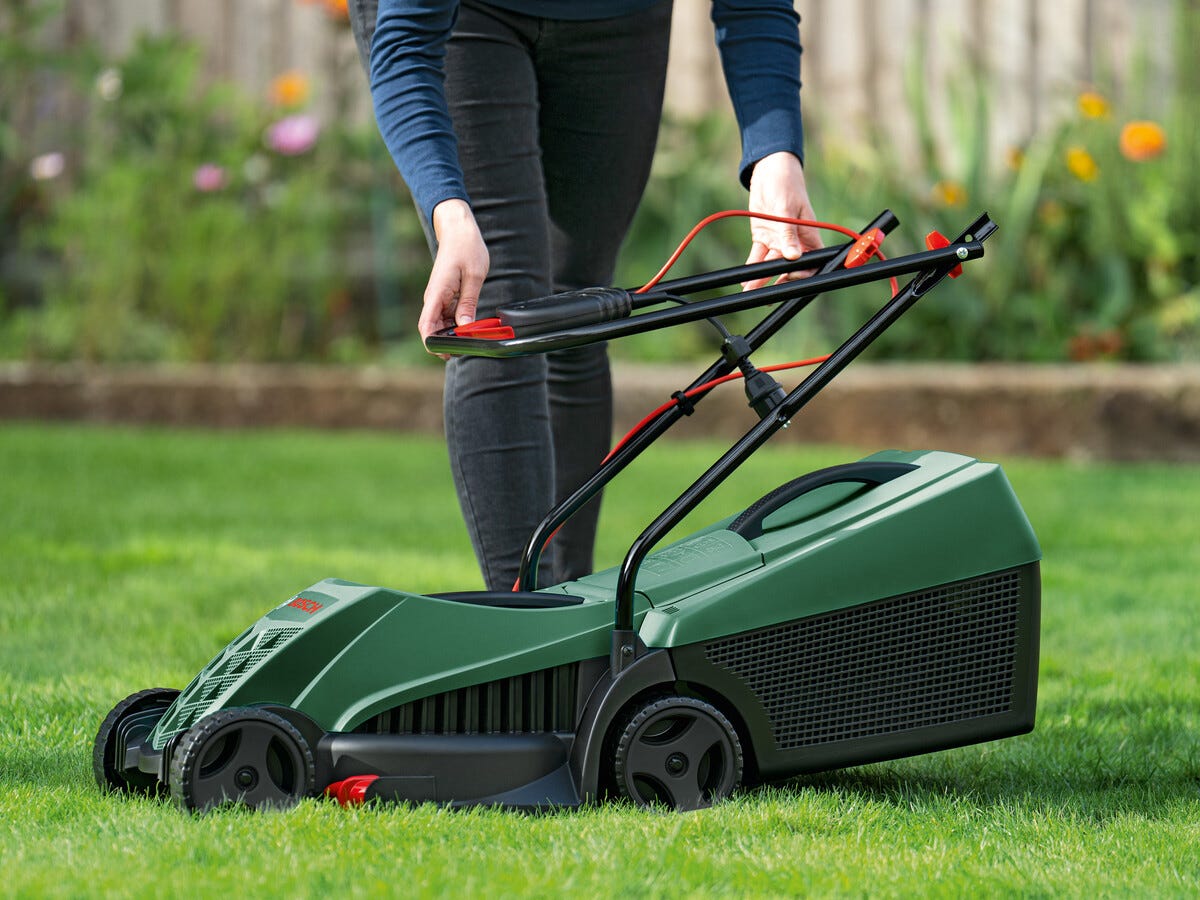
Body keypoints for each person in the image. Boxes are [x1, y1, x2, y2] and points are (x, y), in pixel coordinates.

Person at [349, 0, 821, 591]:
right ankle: (527, 621)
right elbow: (406, 43)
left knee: (579, 314)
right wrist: (450, 209)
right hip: (465, 18)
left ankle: (571, 602)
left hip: (616, 23)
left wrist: (775, 154)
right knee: (501, 315)